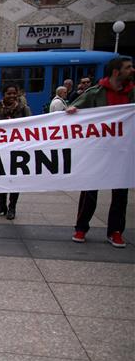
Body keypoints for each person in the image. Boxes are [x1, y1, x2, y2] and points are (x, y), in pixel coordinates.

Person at [68, 56, 133, 248]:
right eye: (128, 67)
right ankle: (81, 227)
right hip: (98, 151)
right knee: (89, 190)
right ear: (116, 72)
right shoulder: (96, 93)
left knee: (121, 193)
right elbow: (76, 109)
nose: (132, 70)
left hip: (123, 152)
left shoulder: (132, 94)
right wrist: (72, 110)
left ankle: (115, 231)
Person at [0, 84, 32, 220]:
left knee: (14, 179)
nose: (12, 96)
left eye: (14, 93)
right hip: (2, 149)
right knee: (1, 178)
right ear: (4, 95)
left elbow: (30, 126)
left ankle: (12, 207)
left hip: (18, 150)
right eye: (9, 93)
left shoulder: (24, 109)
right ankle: (1, 205)